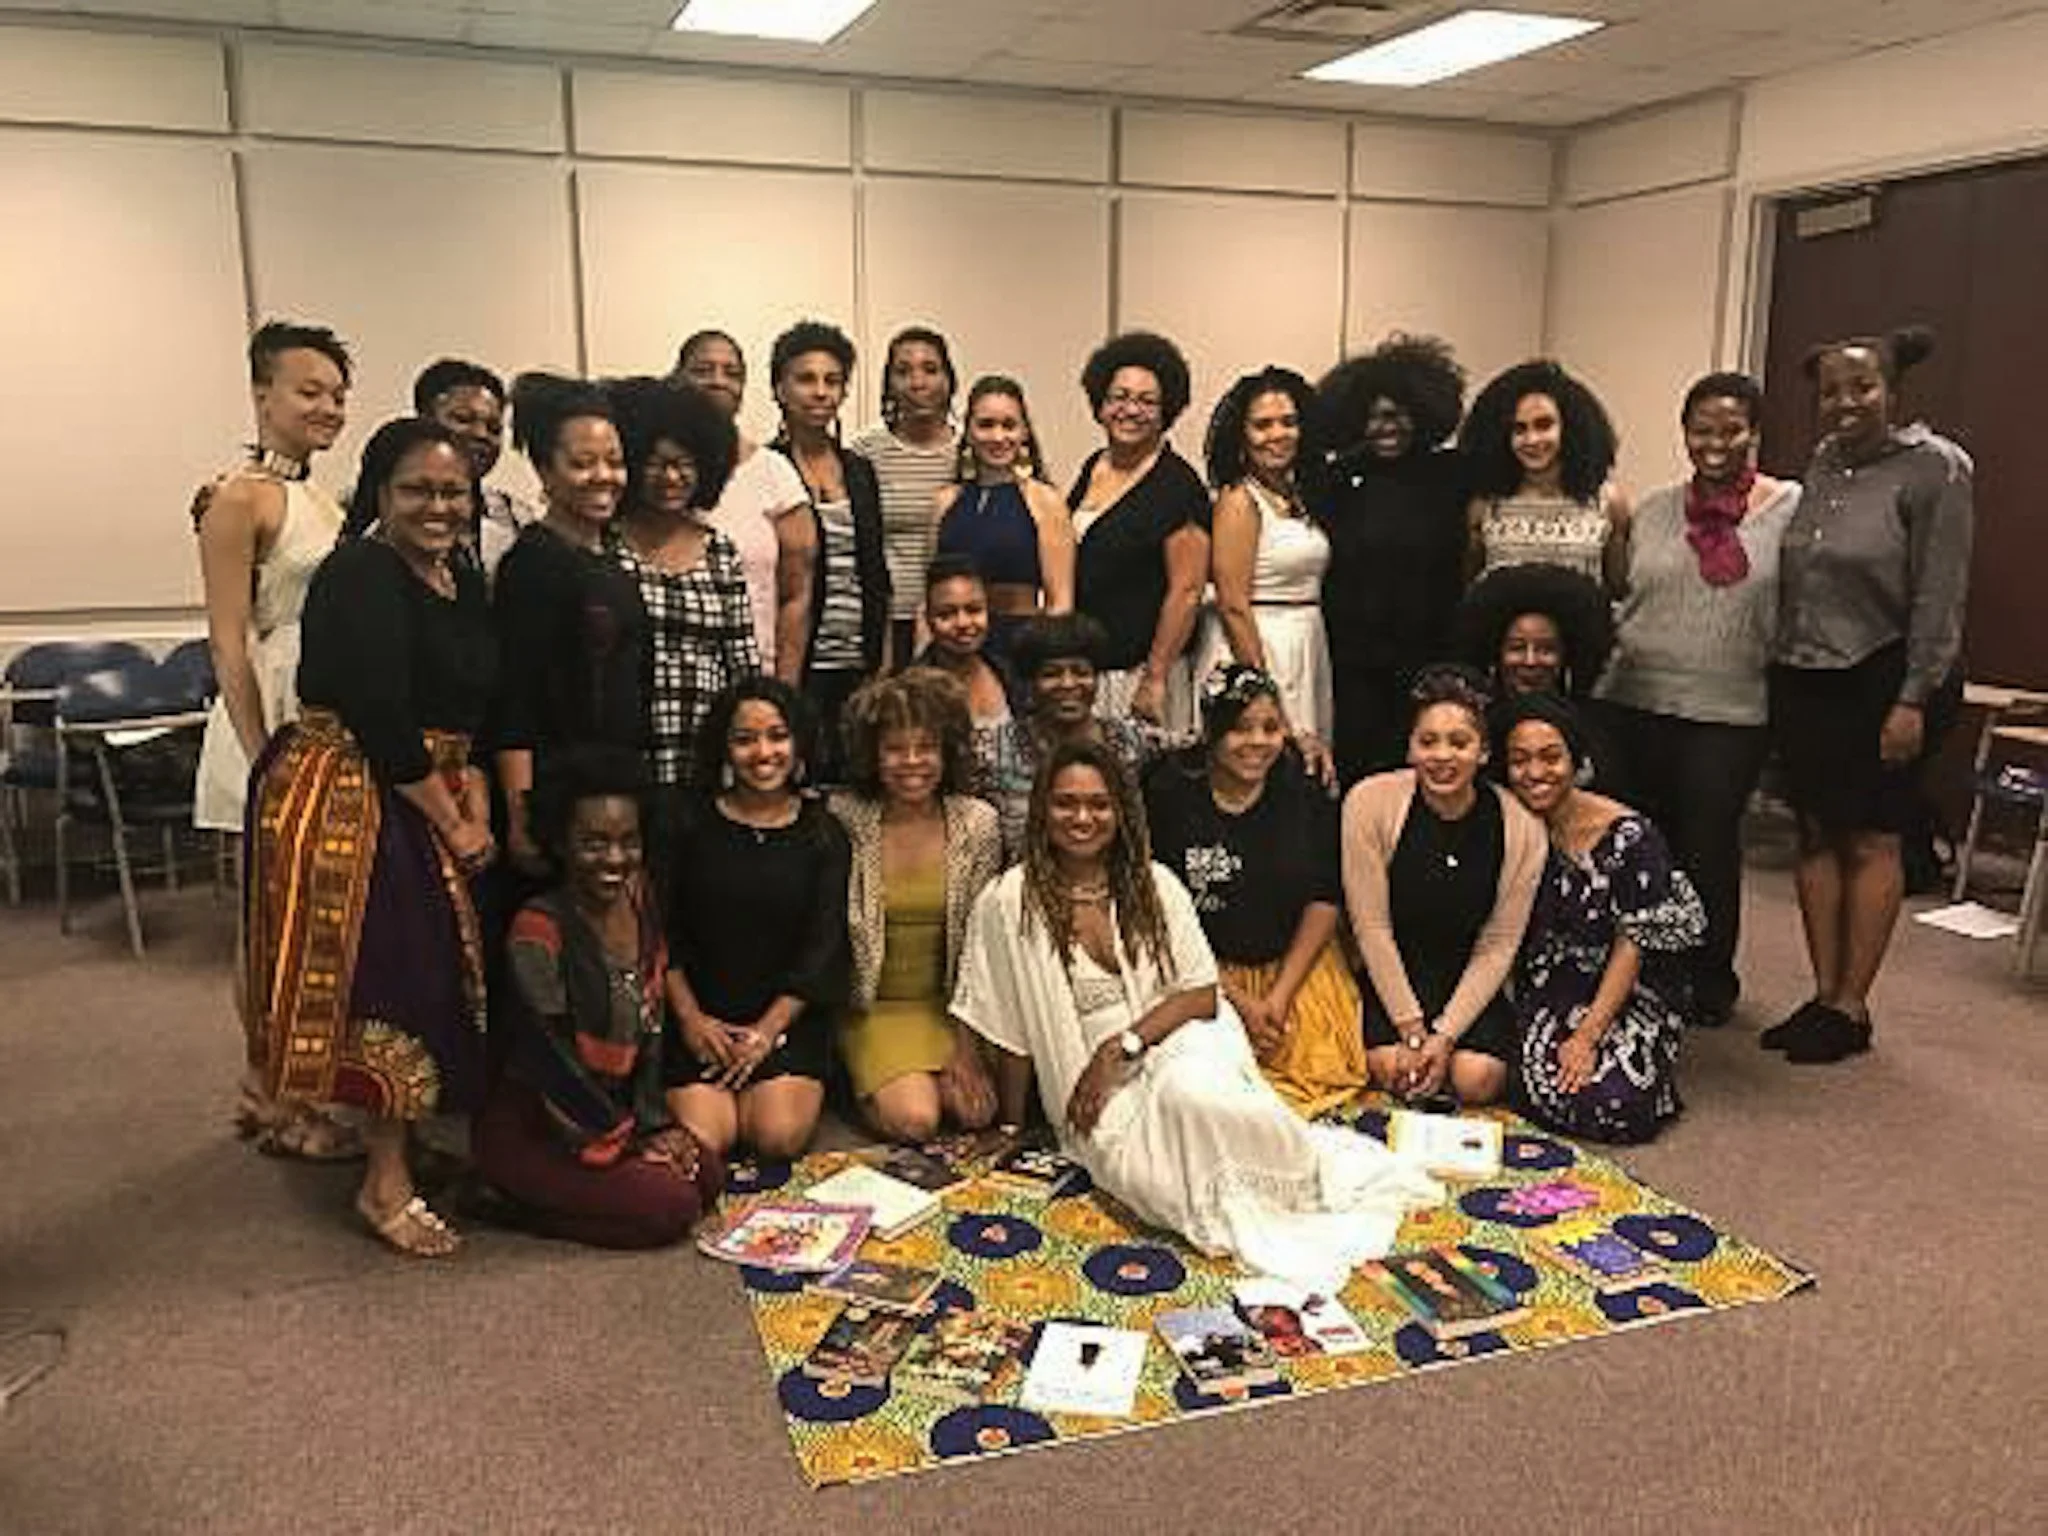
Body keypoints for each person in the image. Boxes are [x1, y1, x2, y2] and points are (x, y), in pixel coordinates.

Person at [951, 740, 1441, 1287]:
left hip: (1179, 1035)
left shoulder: (1154, 883)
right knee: (1152, 1174)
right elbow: (1011, 1024)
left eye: (1098, 804)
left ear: (1121, 811)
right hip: (1094, 1085)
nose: (1082, 818)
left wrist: (1123, 1047)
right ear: (1042, 809)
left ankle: (1296, 1173)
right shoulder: (1008, 901)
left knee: (1192, 1092)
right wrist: (1013, 1123)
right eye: (1066, 803)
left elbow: (1201, 995)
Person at [244, 417, 498, 1256]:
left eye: (453, 491)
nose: (438, 506)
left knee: (431, 975)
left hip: (427, 787)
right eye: (417, 489)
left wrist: (474, 796)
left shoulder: (459, 574)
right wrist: (455, 822)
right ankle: (383, 1186)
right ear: (380, 494)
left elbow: (472, 705)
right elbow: (383, 717)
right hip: (356, 794)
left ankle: (401, 1145)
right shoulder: (360, 572)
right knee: (393, 979)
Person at [1764, 326, 1971, 1064]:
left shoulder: (1936, 467)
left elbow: (1940, 595)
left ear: (1892, 389)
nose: (1845, 401)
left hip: (1884, 676)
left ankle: (1852, 1006)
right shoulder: (1824, 461)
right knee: (1818, 833)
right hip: (1806, 674)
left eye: (1861, 387)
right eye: (1831, 391)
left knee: (1874, 837)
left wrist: (1913, 697)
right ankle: (1822, 994)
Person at [1595, 372, 1801, 1026]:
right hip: (1633, 698)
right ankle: (1641, 969)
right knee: (1642, 844)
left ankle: (1708, 977)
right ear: (1684, 433)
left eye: (1731, 430)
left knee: (1707, 843)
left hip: (1730, 710)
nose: (1715, 443)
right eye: (1701, 430)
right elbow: (1622, 592)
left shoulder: (1788, 509)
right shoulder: (1653, 510)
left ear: (1754, 433)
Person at [193, 321, 353, 1159]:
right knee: (267, 922)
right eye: (308, 390)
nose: (326, 407)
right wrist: (263, 756)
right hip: (267, 714)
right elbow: (228, 639)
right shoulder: (237, 497)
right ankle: (274, 1095)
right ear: (262, 395)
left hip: (322, 709)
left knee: (311, 918)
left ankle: (283, 1087)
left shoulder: (325, 499)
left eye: (337, 395)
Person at [473, 745, 724, 1247]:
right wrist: (629, 1145)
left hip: (615, 1114)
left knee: (708, 1175)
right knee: (671, 1208)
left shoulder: (641, 904)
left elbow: (650, 1035)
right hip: (541, 1126)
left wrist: (656, 1128)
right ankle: (503, 1201)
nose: (614, 859)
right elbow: (551, 1066)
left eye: (628, 841)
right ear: (560, 843)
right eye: (593, 843)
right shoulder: (537, 929)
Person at [1143, 666, 1360, 1118]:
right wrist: (1236, 1001)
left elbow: (1325, 898)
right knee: (1204, 1083)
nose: (1257, 742)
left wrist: (1277, 999)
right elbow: (1155, 906)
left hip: (1294, 967)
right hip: (1198, 970)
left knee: (1316, 1073)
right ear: (1212, 732)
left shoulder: (1305, 783)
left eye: (1270, 727)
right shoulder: (1167, 789)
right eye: (1240, 729)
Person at [1498, 695, 1705, 1143]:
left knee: (1614, 1102)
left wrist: (1587, 1036)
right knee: (1487, 1071)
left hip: (1625, 989)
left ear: (1576, 761)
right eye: (1519, 760)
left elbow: (1633, 946)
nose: (1535, 772)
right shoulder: (1507, 822)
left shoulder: (1631, 837)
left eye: (1551, 757)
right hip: (1545, 983)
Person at [662, 678, 849, 1159]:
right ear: (724, 748)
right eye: (745, 739)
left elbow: (821, 949)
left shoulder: (825, 832)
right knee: (709, 1140)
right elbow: (661, 930)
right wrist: (691, 1020)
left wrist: (766, 1032)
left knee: (775, 1136)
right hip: (699, 1018)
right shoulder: (686, 821)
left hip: (785, 1022)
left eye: (778, 736)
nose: (763, 753)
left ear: (799, 742)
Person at [1342, 668, 1545, 1106]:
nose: (1442, 756)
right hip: (1393, 967)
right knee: (1393, 1069)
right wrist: (1412, 1030)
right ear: (1410, 748)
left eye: (1459, 742)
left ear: (1483, 752)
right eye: (1428, 741)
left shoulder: (1522, 827)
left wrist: (1445, 1036)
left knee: (1476, 1080)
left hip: (1467, 973)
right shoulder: (1369, 802)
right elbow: (1372, 928)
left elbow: (1499, 943)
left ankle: (1444, 1066)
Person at [828, 670, 1003, 1141]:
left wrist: (966, 1046)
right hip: (873, 1006)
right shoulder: (844, 818)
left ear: (947, 752)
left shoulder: (977, 824)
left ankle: (917, 1077)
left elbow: (981, 946)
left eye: (925, 748)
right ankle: (855, 1077)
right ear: (872, 755)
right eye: (895, 749)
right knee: (916, 1120)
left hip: (949, 1006)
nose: (911, 762)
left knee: (976, 1113)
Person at [490, 374, 641, 882]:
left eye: (614, 461)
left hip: (616, 788)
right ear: (544, 469)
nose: (604, 476)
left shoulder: (612, 558)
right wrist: (520, 817)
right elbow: (515, 700)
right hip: (559, 798)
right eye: (582, 463)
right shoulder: (533, 564)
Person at [1312, 335, 1470, 785]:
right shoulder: (1335, 480)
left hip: (1430, 658)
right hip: (1353, 665)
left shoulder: (1452, 476)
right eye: (1374, 415)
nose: (1387, 426)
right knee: (1357, 774)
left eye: (1399, 414)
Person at [605, 376, 756, 792]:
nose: (671, 476)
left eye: (684, 463)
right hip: (623, 748)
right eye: (656, 463)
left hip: (705, 750)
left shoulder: (719, 550)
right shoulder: (604, 544)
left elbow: (742, 664)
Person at [1069, 331, 1213, 731]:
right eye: (1120, 397)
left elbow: (1186, 591)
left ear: (1166, 411)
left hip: (1140, 675)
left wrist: (1155, 677)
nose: (1130, 410)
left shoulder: (1179, 486)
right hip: (1089, 671)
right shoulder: (1094, 465)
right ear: (1100, 404)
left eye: (1147, 401)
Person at [769, 320, 891, 779]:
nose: (820, 392)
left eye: (832, 381)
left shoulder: (858, 469)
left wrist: (883, 663)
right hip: (798, 659)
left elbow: (876, 570)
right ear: (780, 388)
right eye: (806, 379)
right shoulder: (768, 468)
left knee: (860, 783)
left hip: (859, 658)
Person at [1196, 366, 1333, 774]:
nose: (1278, 434)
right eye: (1262, 425)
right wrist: (1266, 696)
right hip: (1258, 647)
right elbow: (1233, 604)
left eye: (1288, 422)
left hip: (1304, 641)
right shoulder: (1239, 500)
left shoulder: (1295, 495)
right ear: (1241, 435)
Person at [670, 330, 813, 677]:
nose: (718, 381)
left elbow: (796, 596)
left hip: (755, 673)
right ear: (677, 380)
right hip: (675, 674)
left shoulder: (774, 472)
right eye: (703, 370)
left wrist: (783, 688)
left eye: (731, 373)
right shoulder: (660, 475)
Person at [971, 613, 1154, 863]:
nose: (1068, 683)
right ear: (1030, 682)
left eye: (1081, 672)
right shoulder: (991, 751)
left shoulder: (1132, 744)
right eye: (1051, 674)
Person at [934, 374, 1075, 660]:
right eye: (986, 425)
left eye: (1009, 425)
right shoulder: (945, 501)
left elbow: (1060, 603)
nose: (998, 437)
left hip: (1020, 647)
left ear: (1024, 432)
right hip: (951, 646)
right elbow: (930, 593)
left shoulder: (1045, 501)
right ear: (969, 432)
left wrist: (1048, 664)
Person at [1460, 358, 1628, 592]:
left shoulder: (1608, 502)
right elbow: (1471, 591)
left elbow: (1618, 591)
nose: (1531, 440)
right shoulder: (1484, 506)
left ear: (1570, 427)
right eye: (1519, 429)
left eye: (1544, 425)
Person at [848, 326, 960, 662]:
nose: (917, 382)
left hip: (956, 618)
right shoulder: (864, 451)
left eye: (930, 369)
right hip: (886, 621)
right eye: (903, 371)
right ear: (889, 383)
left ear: (949, 380)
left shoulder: (970, 449)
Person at [1456, 560, 1617, 788]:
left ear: (1566, 655)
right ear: (1496, 652)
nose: (1530, 661)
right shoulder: (1473, 726)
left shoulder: (1596, 730)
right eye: (1517, 648)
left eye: (1546, 649)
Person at [412, 357, 538, 577]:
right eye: (463, 419)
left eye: (494, 428)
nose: (481, 435)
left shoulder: (517, 518)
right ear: (423, 421)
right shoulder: (380, 505)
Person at [916, 552, 1013, 729]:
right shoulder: (913, 690)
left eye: (974, 610)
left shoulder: (1007, 672)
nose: (963, 623)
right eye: (946, 614)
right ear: (928, 619)